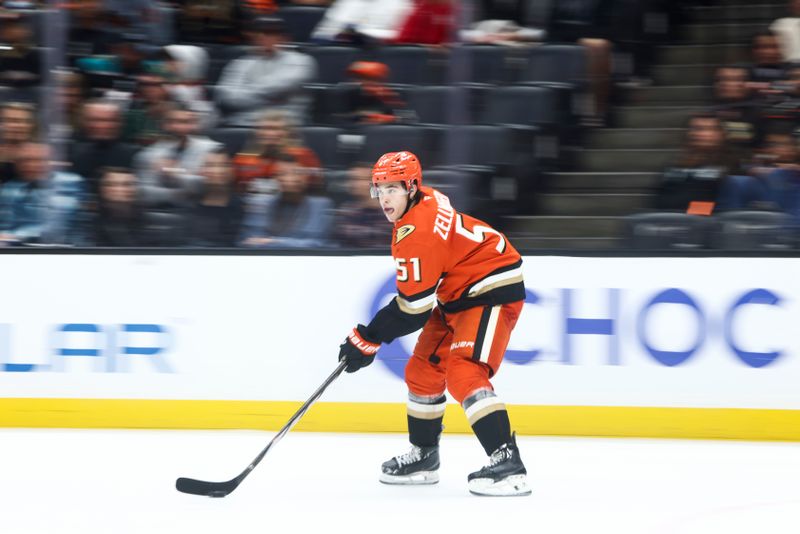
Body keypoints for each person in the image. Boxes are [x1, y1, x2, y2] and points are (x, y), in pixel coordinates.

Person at [337, 151, 530, 497]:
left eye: (392, 189)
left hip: (491, 287)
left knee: (464, 371)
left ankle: (507, 462)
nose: (383, 198)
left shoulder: (417, 234)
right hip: (458, 292)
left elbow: (414, 310)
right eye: (378, 190)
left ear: (411, 187)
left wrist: (368, 338)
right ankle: (425, 457)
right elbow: (421, 300)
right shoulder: (424, 199)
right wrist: (371, 338)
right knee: (422, 371)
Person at [214, 16, 317, 126]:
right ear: (252, 37)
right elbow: (229, 98)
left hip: (286, 124)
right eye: (259, 34)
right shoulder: (240, 64)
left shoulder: (301, 61)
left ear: (283, 37)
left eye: (271, 34)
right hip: (243, 122)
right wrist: (272, 99)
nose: (264, 38)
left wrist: (248, 92)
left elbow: (281, 86)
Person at [240, 153, 332, 248]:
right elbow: (250, 242)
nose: (290, 178)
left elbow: (319, 244)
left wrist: (272, 241)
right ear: (275, 178)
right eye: (283, 173)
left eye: (297, 172)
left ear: (305, 177)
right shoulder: (261, 204)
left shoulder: (320, 206)